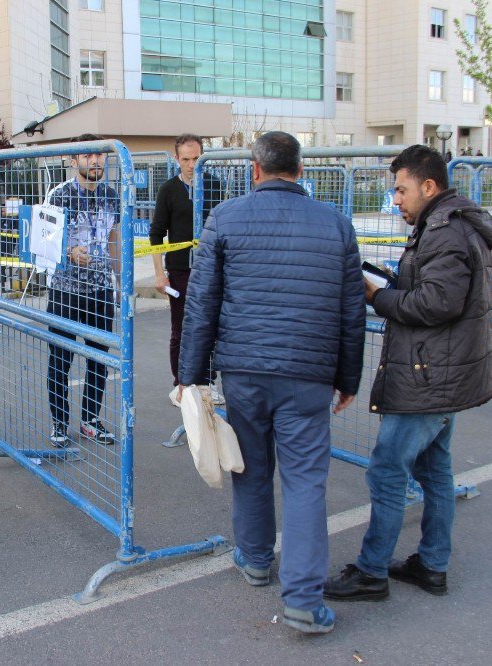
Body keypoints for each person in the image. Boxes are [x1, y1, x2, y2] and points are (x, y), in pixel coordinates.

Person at [178, 131, 366, 635]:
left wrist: (190, 376)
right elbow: (352, 312)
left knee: (252, 469)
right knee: (305, 481)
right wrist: (349, 378)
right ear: (300, 172)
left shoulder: (226, 218)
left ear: (253, 170)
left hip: (245, 371)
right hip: (309, 374)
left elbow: (202, 304)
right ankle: (304, 599)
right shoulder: (337, 226)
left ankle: (257, 559)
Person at [324, 144, 492, 603]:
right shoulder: (446, 227)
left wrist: (375, 296)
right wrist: (393, 281)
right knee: (434, 470)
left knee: (386, 471)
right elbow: (432, 290)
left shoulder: (445, 232)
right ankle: (432, 564)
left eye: (401, 191)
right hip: (441, 373)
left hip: (429, 378)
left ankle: (371, 572)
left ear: (429, 185)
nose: (395, 200)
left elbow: (437, 304)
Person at [45, 133, 120, 447]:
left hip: (101, 291)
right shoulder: (59, 195)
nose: (95, 161)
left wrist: (120, 283)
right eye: (88, 156)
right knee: (60, 359)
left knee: (99, 358)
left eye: (100, 155)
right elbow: (44, 242)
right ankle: (60, 423)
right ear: (73, 160)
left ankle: (90, 419)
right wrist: (68, 253)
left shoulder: (112, 195)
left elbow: (114, 239)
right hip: (65, 291)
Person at [149, 134, 223, 400]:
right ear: (176, 159)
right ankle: (181, 383)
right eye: (186, 159)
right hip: (180, 271)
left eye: (197, 158)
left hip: (212, 270)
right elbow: (156, 233)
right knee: (181, 329)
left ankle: (207, 382)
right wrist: (160, 272)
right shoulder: (169, 190)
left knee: (211, 328)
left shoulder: (214, 186)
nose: (192, 165)